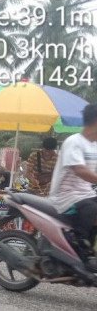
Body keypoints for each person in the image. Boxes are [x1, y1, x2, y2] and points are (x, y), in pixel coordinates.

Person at [49, 103, 97, 266]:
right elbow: (80, 170)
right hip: (66, 196)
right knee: (92, 210)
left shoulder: (94, 145)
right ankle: (79, 246)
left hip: (86, 193)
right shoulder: (74, 142)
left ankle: (90, 249)